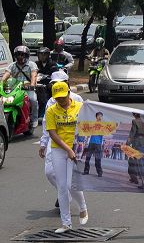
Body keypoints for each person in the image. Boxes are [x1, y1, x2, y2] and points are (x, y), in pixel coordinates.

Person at [45, 81, 87, 233]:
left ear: (69, 93)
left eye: (63, 97)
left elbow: (87, 125)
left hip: (77, 148)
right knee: (62, 187)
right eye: (57, 98)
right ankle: (66, 223)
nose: (60, 100)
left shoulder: (80, 107)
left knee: (71, 184)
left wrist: (80, 147)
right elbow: (52, 133)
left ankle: (83, 207)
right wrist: (67, 150)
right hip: (59, 149)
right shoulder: (51, 111)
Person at [39, 71, 84, 210]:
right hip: (56, 141)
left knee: (71, 178)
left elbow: (84, 121)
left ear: (68, 84)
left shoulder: (77, 99)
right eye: (54, 84)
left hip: (72, 142)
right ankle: (64, 193)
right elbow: (47, 124)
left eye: (61, 83)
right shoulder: (51, 101)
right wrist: (43, 143)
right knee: (49, 172)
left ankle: (68, 197)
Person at [2, 45, 38, 127]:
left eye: (22, 54)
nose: (20, 57)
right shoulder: (12, 65)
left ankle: (34, 119)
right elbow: (6, 74)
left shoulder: (31, 64)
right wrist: (1, 83)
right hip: (14, 89)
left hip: (27, 89)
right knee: (3, 100)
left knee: (33, 99)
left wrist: (32, 85)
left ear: (26, 56)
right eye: (18, 54)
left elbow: (34, 75)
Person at [127, 113, 144, 185]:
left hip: (137, 143)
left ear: (134, 115)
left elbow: (132, 133)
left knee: (132, 162)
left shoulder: (134, 121)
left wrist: (127, 144)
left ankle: (138, 180)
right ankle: (138, 179)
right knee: (140, 162)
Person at [83, 112, 105, 177]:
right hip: (91, 143)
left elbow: (104, 133)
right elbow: (88, 132)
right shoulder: (92, 124)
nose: (100, 117)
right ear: (96, 116)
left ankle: (99, 172)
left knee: (97, 160)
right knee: (87, 158)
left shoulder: (103, 125)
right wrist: (86, 142)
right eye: (99, 116)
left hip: (98, 144)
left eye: (101, 116)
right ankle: (86, 171)